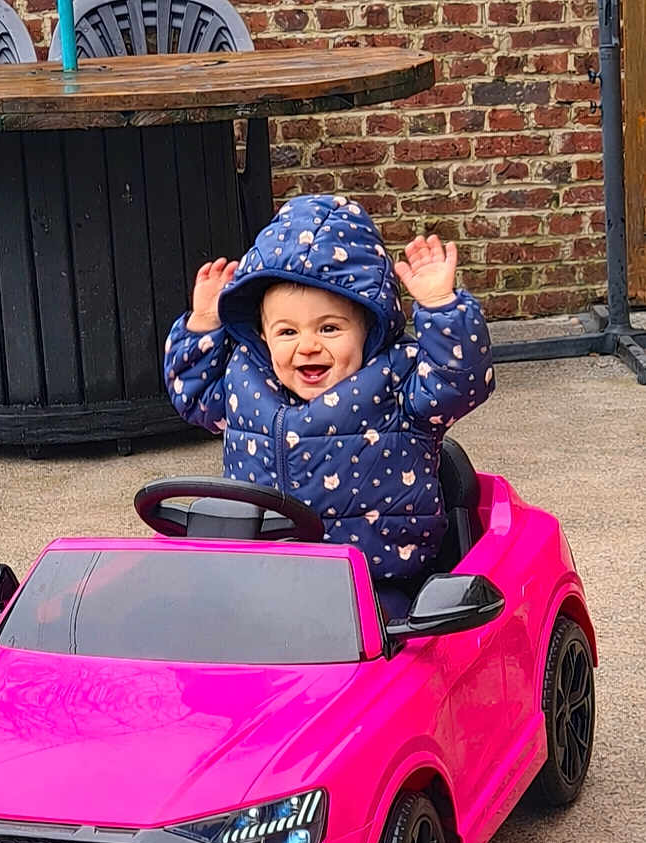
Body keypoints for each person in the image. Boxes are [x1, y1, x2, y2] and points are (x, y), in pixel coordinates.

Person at [163, 193, 495, 619]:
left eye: (330, 328)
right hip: (259, 577)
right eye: (286, 332)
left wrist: (440, 307)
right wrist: (204, 324)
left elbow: (461, 381)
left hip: (378, 584)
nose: (307, 346)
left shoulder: (399, 380)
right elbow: (190, 396)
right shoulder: (243, 382)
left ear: (369, 327)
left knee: (377, 656)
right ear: (261, 335)